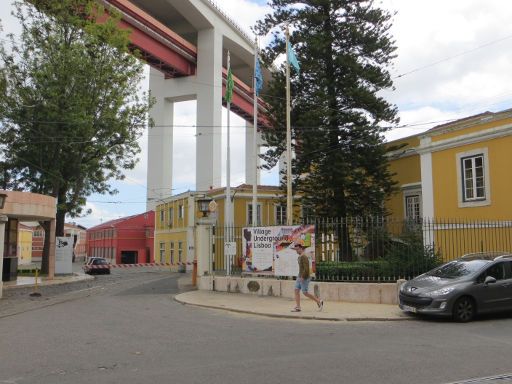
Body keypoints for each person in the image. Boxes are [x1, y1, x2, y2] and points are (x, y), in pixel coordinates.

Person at [291, 242, 323, 312]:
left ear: (301, 249)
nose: (296, 251)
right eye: (295, 249)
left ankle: (319, 301)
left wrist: (303, 277)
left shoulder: (304, 256)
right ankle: (298, 307)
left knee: (305, 292)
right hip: (299, 276)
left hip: (304, 277)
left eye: (297, 249)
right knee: (296, 290)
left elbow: (306, 268)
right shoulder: (300, 256)